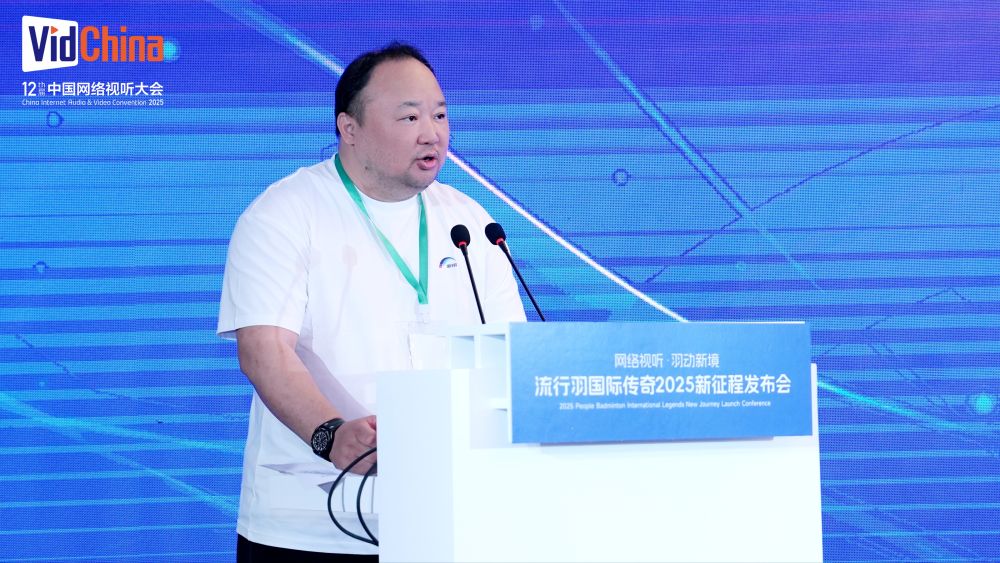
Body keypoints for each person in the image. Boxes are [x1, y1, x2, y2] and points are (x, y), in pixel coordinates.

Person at [217, 42, 527, 560]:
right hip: (310, 525)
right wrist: (330, 434)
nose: (432, 133)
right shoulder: (285, 214)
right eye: (409, 117)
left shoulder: (470, 223)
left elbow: (511, 351)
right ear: (349, 127)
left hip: (447, 519)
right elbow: (264, 350)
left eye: (440, 115)